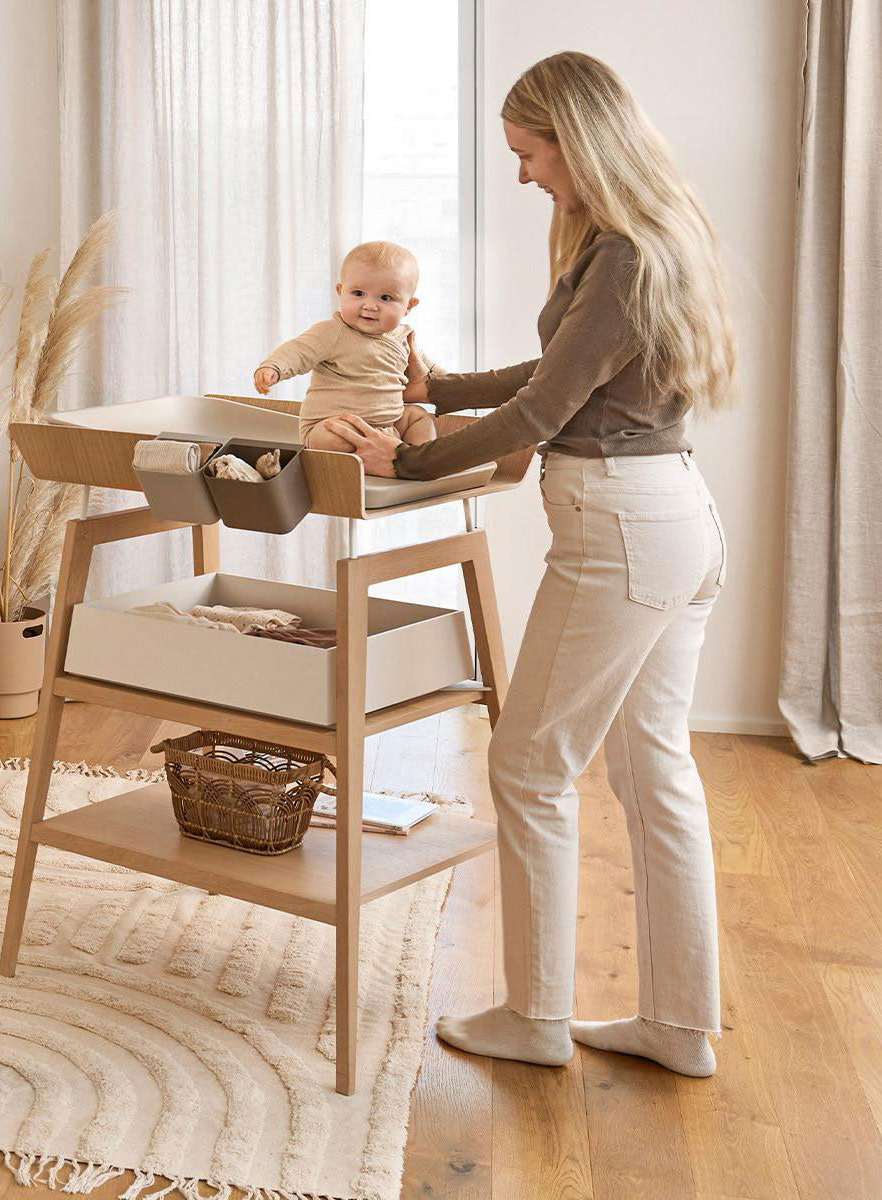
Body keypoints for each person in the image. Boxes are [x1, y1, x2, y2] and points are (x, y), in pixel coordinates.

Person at [327, 51, 735, 1078]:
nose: (522, 176)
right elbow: (562, 375)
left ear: (576, 136)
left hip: (624, 532)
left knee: (527, 766)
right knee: (655, 772)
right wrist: (447, 383)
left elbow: (544, 412)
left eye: (528, 152)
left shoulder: (626, 256)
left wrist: (411, 453)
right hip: (674, 519)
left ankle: (537, 1018)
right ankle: (681, 1028)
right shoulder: (646, 242)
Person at [254, 240, 438, 451]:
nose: (370, 305)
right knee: (334, 436)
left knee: (419, 417)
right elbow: (298, 351)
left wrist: (451, 387)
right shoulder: (333, 332)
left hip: (388, 425)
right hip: (334, 424)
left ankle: (415, 458)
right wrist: (274, 367)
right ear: (341, 291)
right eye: (358, 293)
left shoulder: (404, 337)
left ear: (409, 306)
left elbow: (431, 371)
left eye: (386, 297)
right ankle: (391, 459)